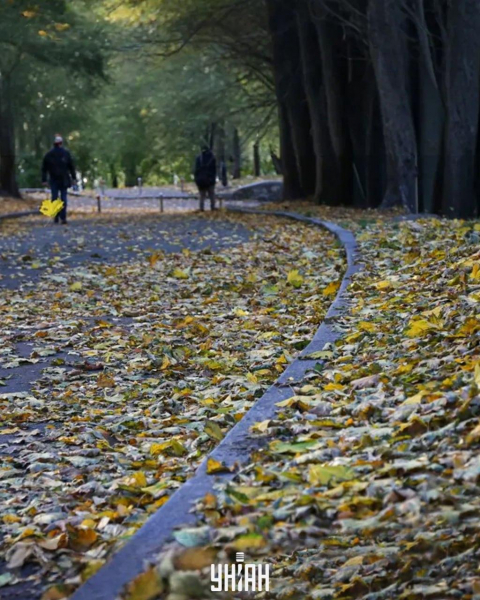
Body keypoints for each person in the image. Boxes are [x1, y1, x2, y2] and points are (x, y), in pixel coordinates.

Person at [41, 134, 77, 224]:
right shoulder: (66, 153)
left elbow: (44, 168)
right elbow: (71, 166)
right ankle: (63, 217)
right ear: (61, 143)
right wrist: (74, 178)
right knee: (63, 198)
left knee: (54, 197)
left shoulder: (49, 154)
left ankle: (56, 216)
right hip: (63, 179)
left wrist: (44, 180)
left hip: (53, 179)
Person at [194, 146, 217, 211]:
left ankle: (201, 208)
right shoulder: (212, 158)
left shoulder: (198, 158)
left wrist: (196, 179)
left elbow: (196, 170)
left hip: (201, 179)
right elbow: (214, 170)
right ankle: (213, 207)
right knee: (211, 194)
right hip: (210, 179)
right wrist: (213, 178)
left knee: (202, 195)